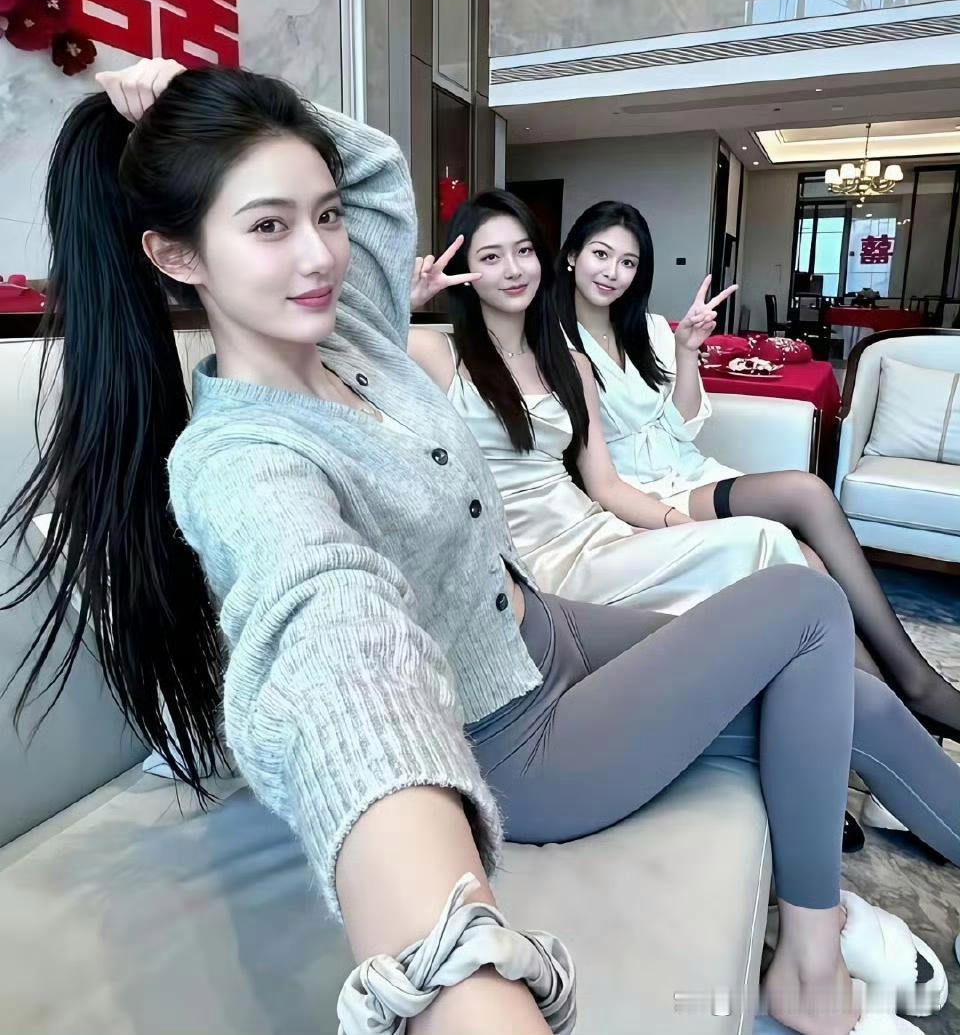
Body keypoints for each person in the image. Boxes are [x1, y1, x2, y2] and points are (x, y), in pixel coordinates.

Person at [3, 60, 958, 1035]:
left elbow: (376, 169)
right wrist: (454, 964)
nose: (320, 254)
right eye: (268, 226)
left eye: (324, 216)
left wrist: (210, 86)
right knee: (804, 604)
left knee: (842, 684)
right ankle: (811, 958)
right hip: (514, 742)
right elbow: (335, 652)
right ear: (177, 255)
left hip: (545, 628)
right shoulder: (242, 460)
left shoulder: (354, 339)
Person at [551, 199, 960, 747]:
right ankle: (905, 699)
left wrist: (686, 351)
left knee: (809, 543)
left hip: (686, 471)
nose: (613, 272)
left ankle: (893, 701)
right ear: (572, 255)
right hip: (639, 491)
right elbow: (594, 468)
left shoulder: (646, 329)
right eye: (601, 255)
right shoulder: (553, 342)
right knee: (804, 504)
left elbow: (683, 426)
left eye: (628, 262)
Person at [409, 190, 809, 616]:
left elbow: (605, 486)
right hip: (533, 560)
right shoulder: (437, 352)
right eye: (491, 257)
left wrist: (681, 526)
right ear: (464, 270)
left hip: (594, 530)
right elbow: (354, 349)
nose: (513, 269)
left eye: (524, 251)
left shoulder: (571, 364)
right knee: (758, 553)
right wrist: (407, 300)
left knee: (763, 543)